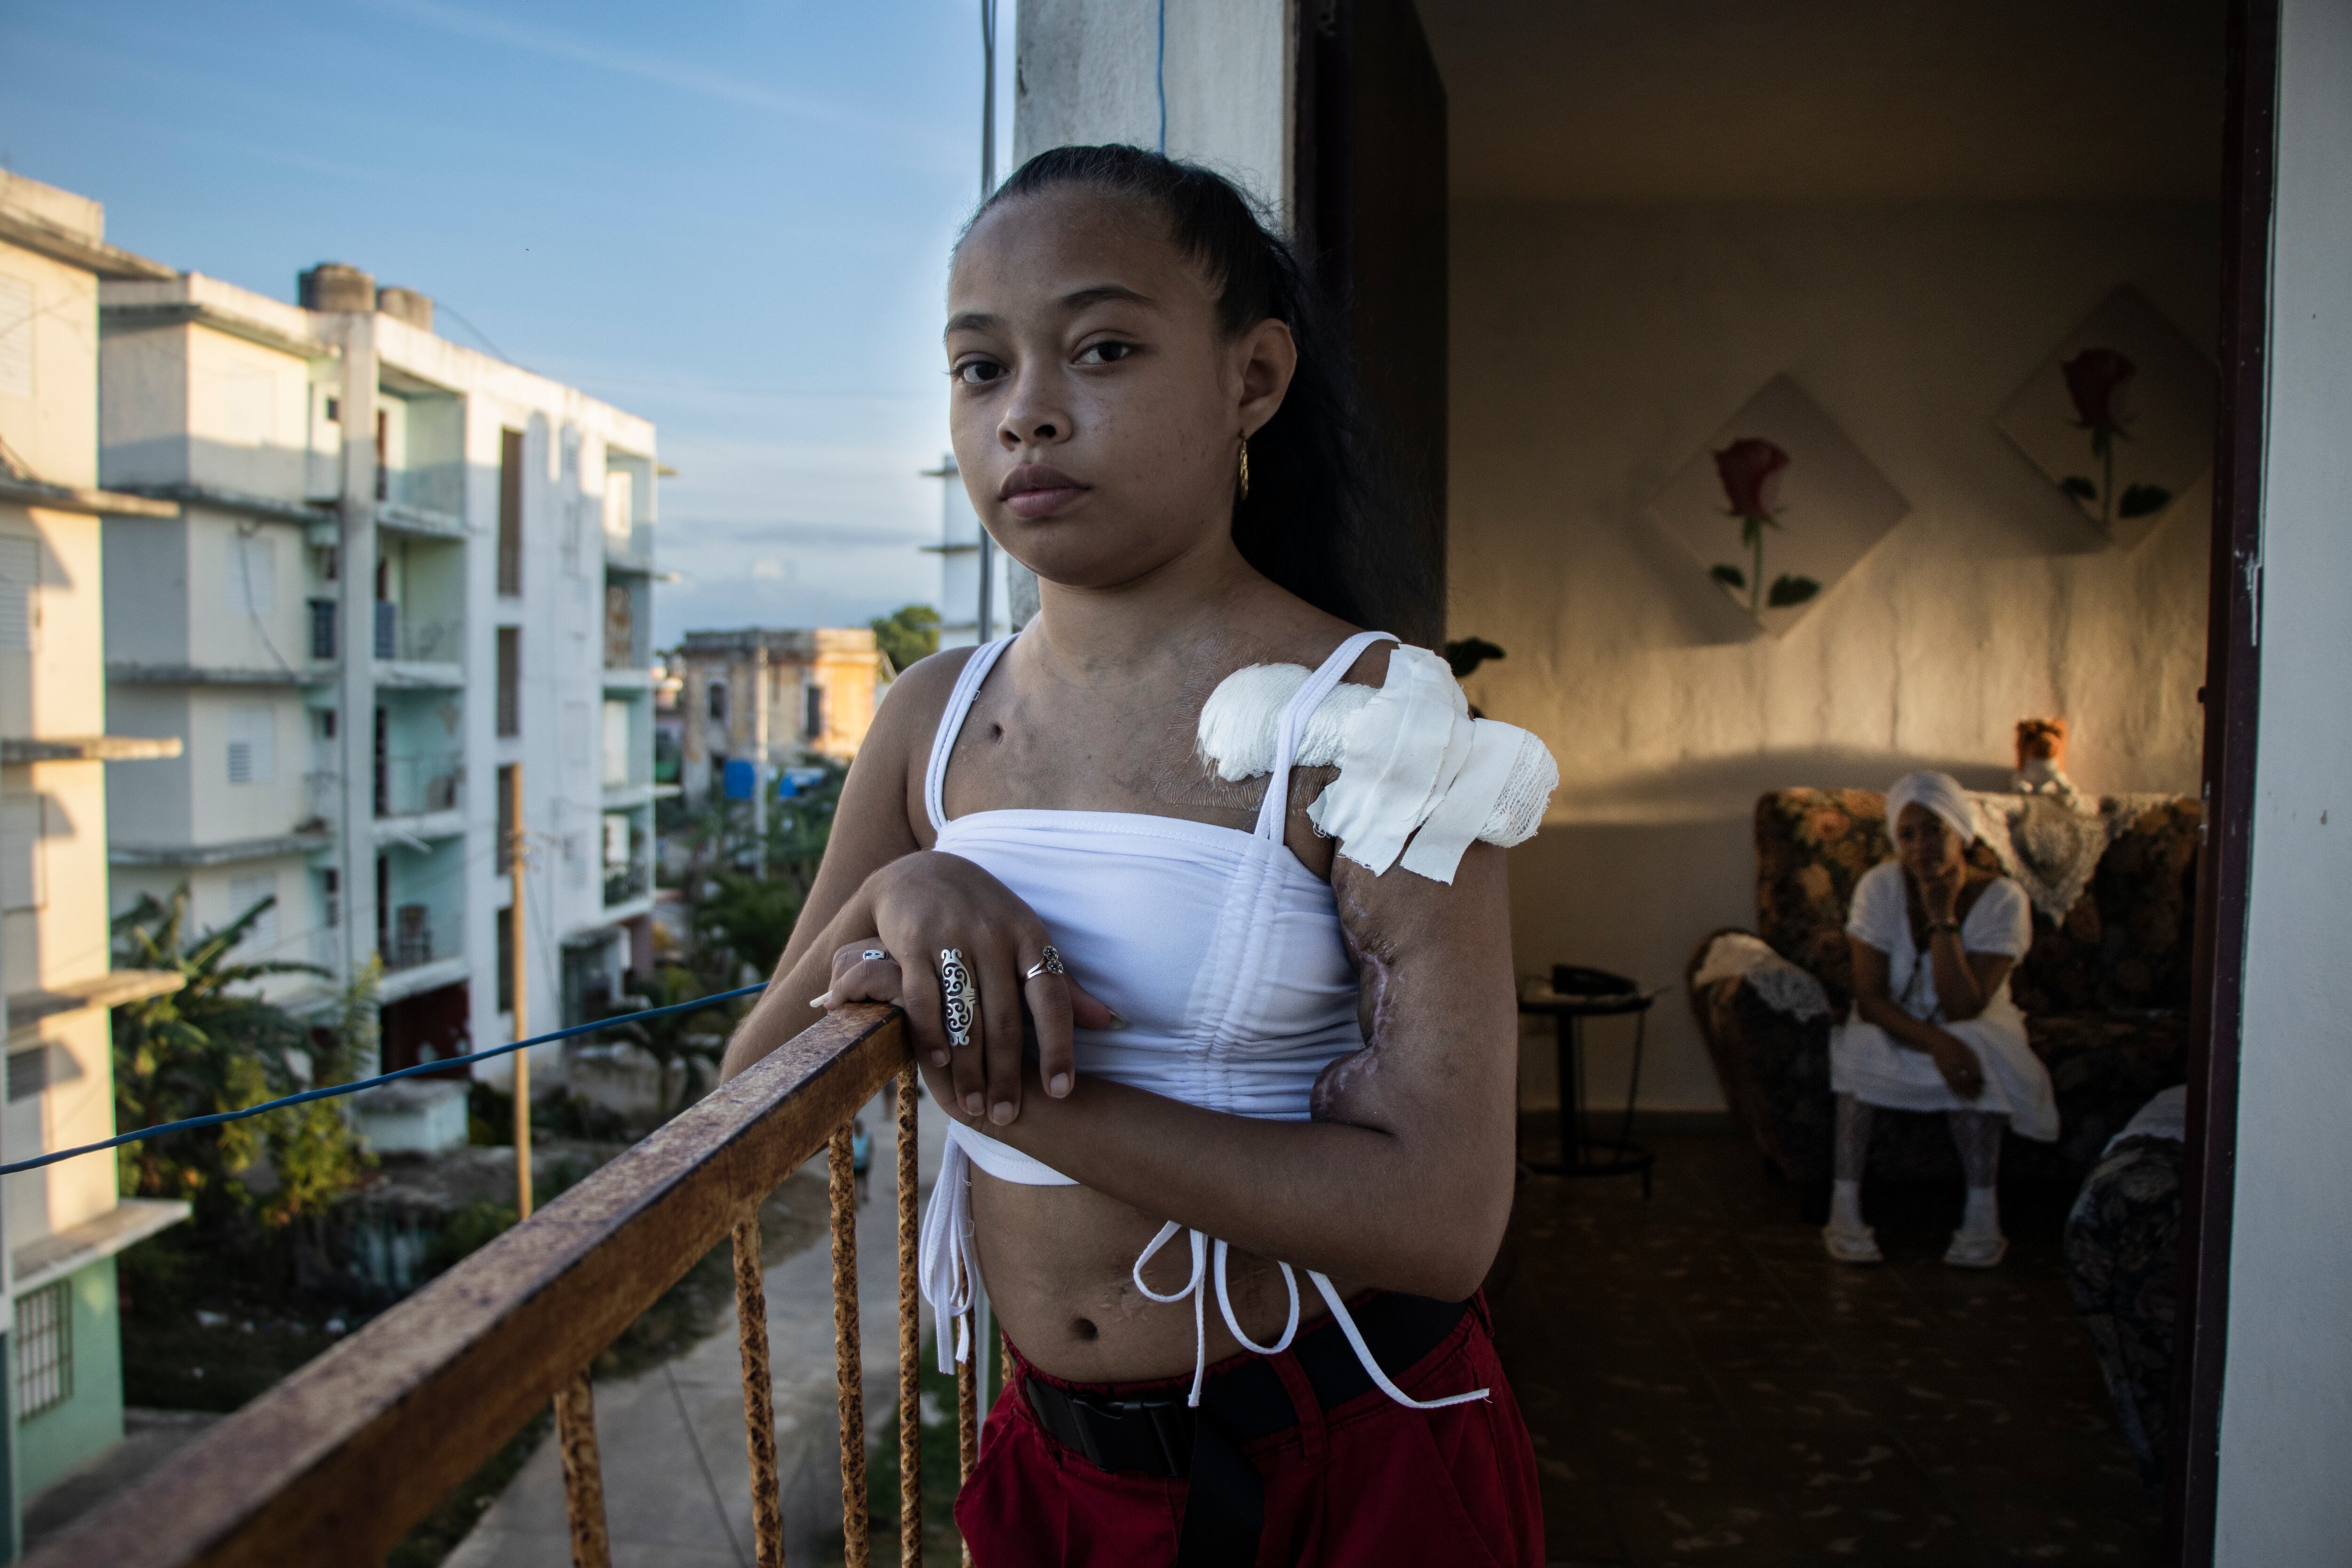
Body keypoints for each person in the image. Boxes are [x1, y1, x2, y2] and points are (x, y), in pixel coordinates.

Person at [717, 145, 1555, 1567]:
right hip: (1056, 1464)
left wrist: (1023, 1104)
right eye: (980, 370)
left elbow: (1438, 1216)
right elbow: (749, 1097)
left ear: (1253, 378)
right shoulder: (932, 720)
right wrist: (900, 886)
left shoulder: (1367, 722)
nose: (1027, 413)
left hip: (1346, 1459)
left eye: (1100, 348)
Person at [1824, 770, 2058, 1268]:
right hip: (1900, 1021)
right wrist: (1935, 1043)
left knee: (1973, 1042)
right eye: (1906, 835)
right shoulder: (1879, 888)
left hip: (1975, 1019)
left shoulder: (2002, 899)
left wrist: (1941, 916)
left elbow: (1962, 1007)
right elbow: (1868, 997)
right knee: (1858, 1044)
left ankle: (1980, 1215)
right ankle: (1843, 1209)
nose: (1920, 846)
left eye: (1934, 830)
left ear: (1960, 832)